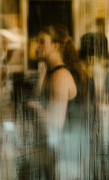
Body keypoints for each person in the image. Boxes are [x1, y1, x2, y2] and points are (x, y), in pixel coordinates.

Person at [26, 24, 90, 179]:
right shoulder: (51, 72)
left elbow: (55, 124)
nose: (36, 46)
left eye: (42, 42)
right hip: (61, 150)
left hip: (66, 154)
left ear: (55, 46)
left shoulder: (60, 75)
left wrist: (35, 107)